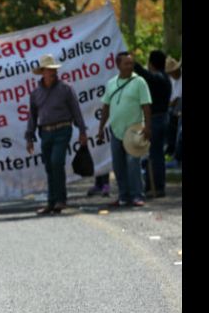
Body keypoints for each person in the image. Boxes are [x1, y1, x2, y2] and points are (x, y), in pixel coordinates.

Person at [25, 54, 88, 214]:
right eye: (49, 70)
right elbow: (32, 117)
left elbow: (76, 110)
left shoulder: (66, 88)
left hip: (63, 129)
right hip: (45, 132)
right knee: (49, 167)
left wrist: (82, 131)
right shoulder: (35, 93)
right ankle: (51, 202)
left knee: (56, 162)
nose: (52, 72)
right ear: (43, 72)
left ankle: (61, 200)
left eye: (54, 69)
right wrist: (29, 137)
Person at [96, 52, 152, 207]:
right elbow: (106, 107)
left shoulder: (139, 82)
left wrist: (147, 127)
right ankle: (123, 196)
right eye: (126, 63)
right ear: (117, 65)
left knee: (133, 164)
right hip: (116, 131)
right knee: (118, 166)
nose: (129, 66)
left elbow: (146, 106)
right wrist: (101, 128)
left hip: (135, 130)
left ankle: (137, 196)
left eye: (131, 63)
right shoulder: (111, 83)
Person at [134, 50, 172, 197]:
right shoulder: (165, 78)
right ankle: (154, 186)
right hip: (163, 118)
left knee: (155, 155)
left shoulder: (159, 77)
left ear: (151, 64)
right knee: (156, 155)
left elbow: (147, 75)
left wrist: (134, 63)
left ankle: (156, 187)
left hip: (157, 119)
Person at [164, 56, 182, 164]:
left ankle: (176, 156)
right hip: (173, 108)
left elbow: (177, 99)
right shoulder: (171, 80)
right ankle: (169, 149)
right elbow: (171, 99)